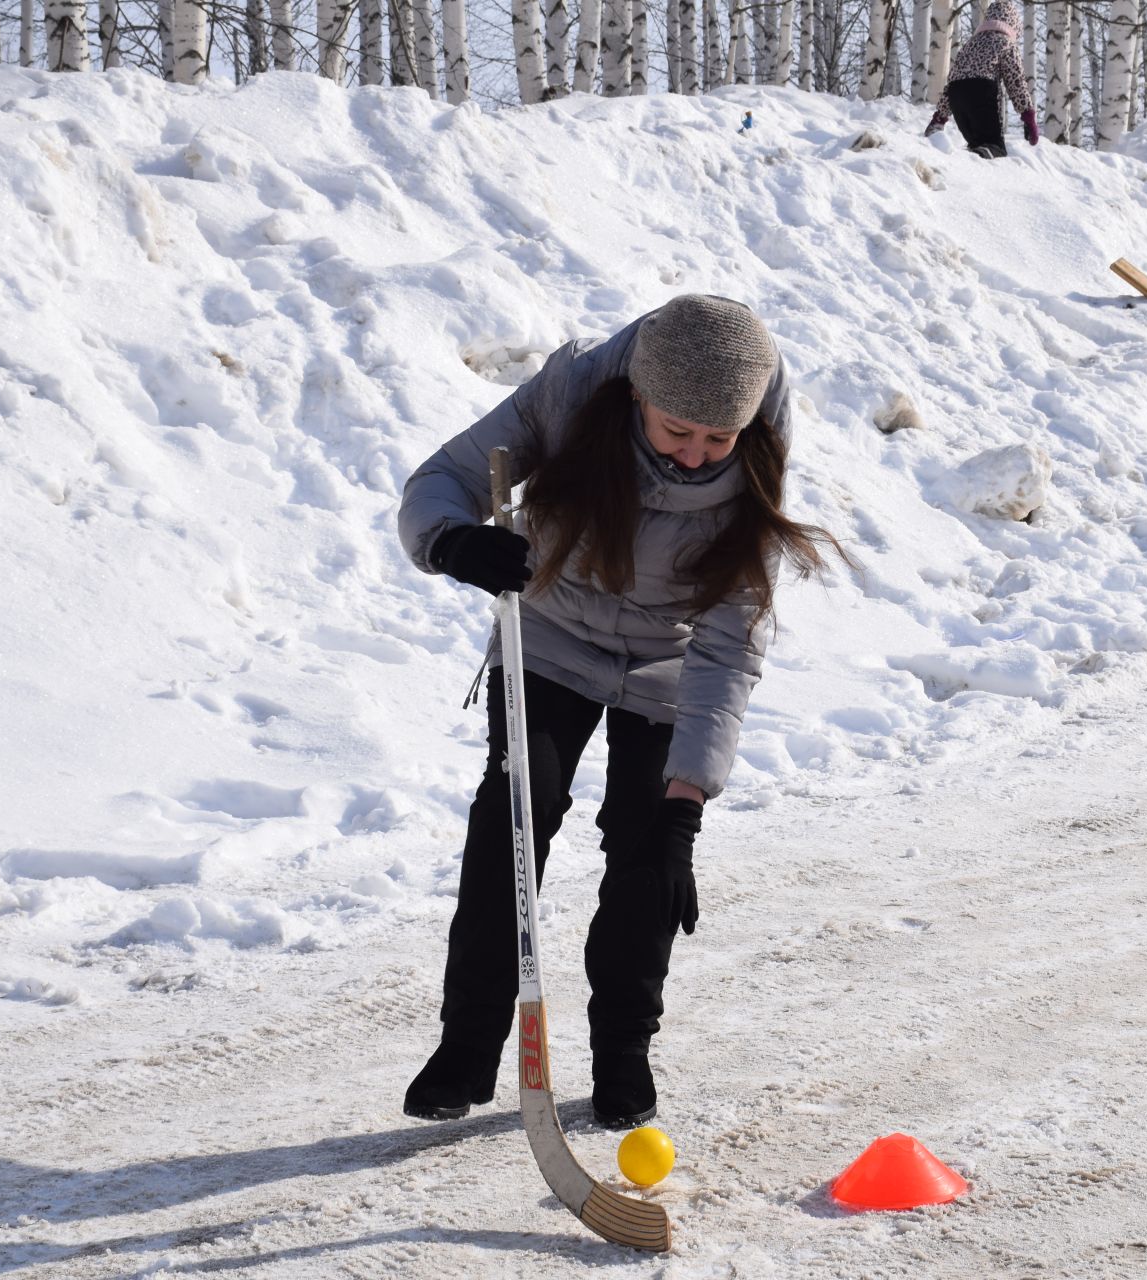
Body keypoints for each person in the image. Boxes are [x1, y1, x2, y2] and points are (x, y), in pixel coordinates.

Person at [398, 295, 840, 1128]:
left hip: (669, 664)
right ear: (637, 394)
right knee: (513, 819)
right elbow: (441, 481)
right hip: (550, 632)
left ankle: (623, 1050)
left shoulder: (754, 466)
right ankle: (468, 1045)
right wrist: (454, 541)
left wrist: (686, 808)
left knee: (646, 852)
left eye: (719, 438)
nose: (698, 452)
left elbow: (727, 650)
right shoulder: (570, 396)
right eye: (678, 429)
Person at [922, 0, 1039, 159]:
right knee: (994, 146)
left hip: (957, 97)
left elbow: (953, 80)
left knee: (978, 145)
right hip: (980, 92)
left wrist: (939, 118)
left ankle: (971, 162)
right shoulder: (1006, 42)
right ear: (1013, 25)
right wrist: (1028, 116)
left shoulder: (970, 45)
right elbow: (1016, 82)